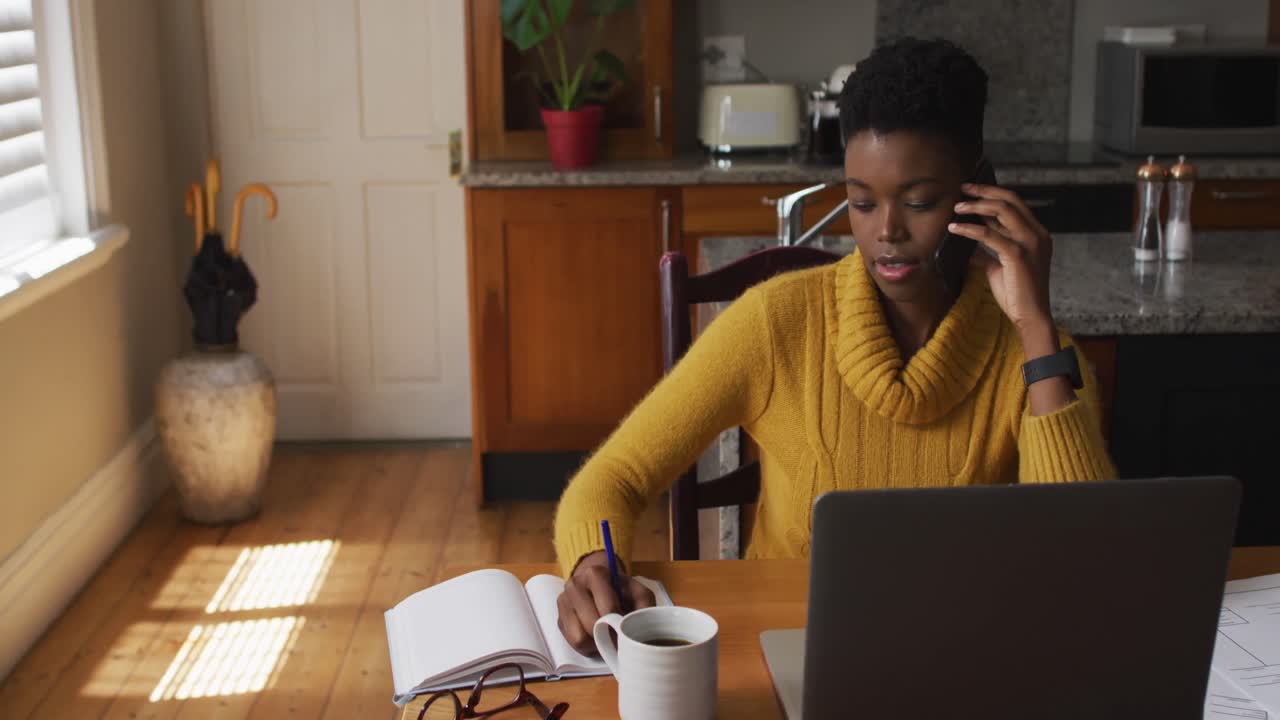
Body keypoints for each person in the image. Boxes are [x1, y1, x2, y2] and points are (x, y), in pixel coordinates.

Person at [552, 37, 1117, 654]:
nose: (886, 234)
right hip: (792, 648)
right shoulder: (777, 322)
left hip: (965, 653)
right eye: (861, 202)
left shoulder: (1032, 353)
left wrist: (1036, 325)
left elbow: (1084, 563)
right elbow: (618, 473)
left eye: (920, 202)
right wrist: (589, 563)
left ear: (979, 189)